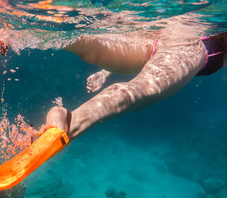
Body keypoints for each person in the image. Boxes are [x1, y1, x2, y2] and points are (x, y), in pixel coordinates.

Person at [46, 24, 227, 141]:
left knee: (89, 48)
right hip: (192, 47)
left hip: (158, 38)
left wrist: (105, 72)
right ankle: (71, 121)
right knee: (140, 93)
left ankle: (47, 28)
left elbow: (161, 57)